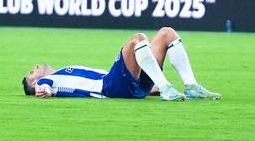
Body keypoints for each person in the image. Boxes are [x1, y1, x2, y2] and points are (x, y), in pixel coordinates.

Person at [21, 27, 218, 101]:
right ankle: (166, 87)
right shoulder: (48, 80)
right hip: (109, 87)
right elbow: (42, 86)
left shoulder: (63, 72)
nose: (36, 67)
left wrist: (147, 90)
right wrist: (42, 89)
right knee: (137, 40)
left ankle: (191, 86)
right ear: (35, 81)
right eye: (32, 72)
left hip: (125, 85)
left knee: (167, 33)